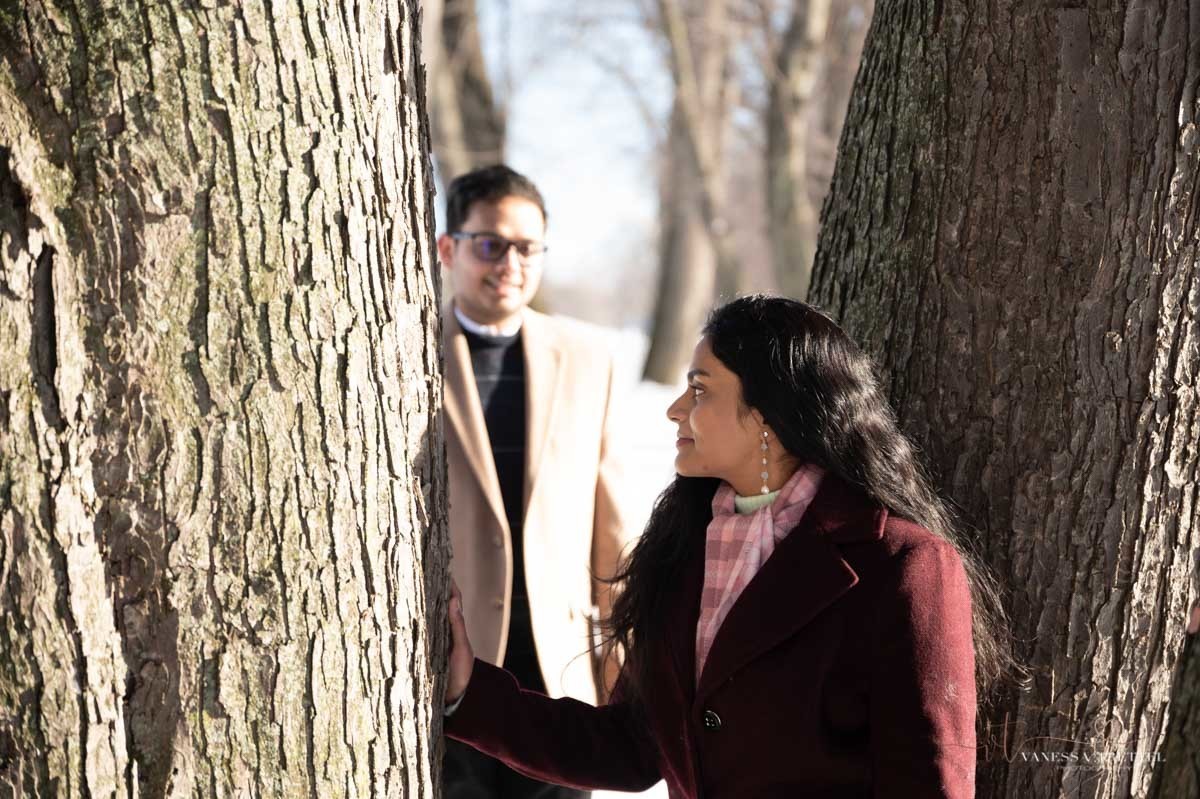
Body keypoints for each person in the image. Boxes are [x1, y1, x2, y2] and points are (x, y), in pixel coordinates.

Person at [443, 295, 1013, 798]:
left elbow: (928, 781)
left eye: (700, 389)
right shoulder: (683, 549)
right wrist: (469, 692)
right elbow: (629, 747)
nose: (674, 409)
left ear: (767, 414)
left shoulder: (902, 564)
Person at [438, 164, 629, 799]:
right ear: (449, 249)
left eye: (527, 247)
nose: (510, 262)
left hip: (559, 676)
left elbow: (610, 523)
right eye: (490, 244)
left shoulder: (586, 357)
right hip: (446, 676)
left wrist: (618, 658)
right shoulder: (403, 350)